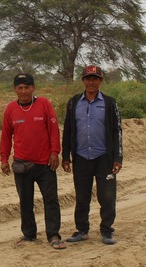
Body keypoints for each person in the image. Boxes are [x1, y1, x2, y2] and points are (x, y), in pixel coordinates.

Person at [0, 73, 66, 250]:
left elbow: (53, 130)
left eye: (27, 87)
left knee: (51, 199)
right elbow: (6, 135)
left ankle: (53, 234)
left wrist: (54, 152)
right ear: (15, 89)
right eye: (20, 88)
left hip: (45, 164)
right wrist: (4, 159)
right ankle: (29, 234)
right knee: (25, 201)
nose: (23, 91)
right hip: (22, 164)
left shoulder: (44, 104)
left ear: (33, 88)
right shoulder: (10, 109)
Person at [61, 65, 123, 245]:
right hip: (81, 157)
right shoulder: (73, 102)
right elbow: (68, 130)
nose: (91, 82)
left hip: (104, 157)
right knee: (81, 197)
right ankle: (82, 230)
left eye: (95, 78)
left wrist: (118, 158)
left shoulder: (110, 103)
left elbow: (117, 131)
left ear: (101, 81)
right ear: (82, 80)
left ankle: (107, 231)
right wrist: (66, 156)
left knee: (107, 196)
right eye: (88, 78)